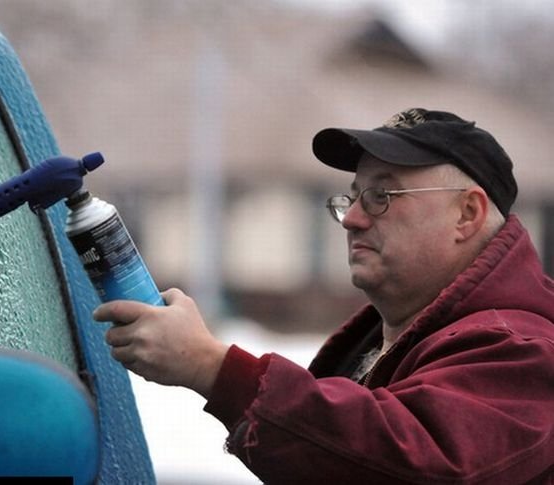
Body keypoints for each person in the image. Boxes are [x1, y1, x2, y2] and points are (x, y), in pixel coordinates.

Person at [93, 108, 554, 484]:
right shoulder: (393, 341)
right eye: (351, 199)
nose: (352, 219)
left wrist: (214, 368)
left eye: (381, 196)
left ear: (467, 214)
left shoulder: (524, 349)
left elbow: (416, 463)